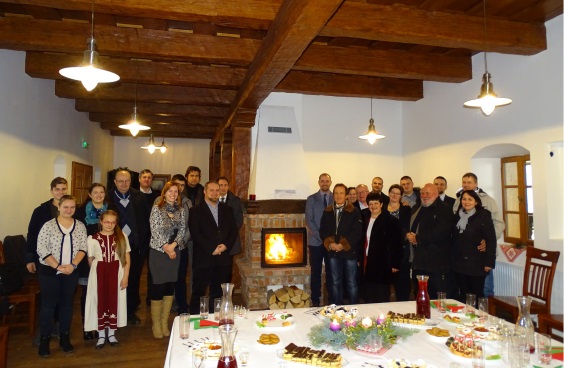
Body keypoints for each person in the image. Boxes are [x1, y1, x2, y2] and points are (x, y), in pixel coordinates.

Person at [36, 195, 87, 357]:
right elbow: (42, 249)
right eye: (66, 207)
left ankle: (64, 338)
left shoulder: (79, 226)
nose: (69, 210)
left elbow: (83, 248)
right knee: (48, 306)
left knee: (67, 305)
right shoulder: (48, 226)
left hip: (71, 272)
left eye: (72, 207)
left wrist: (72, 265)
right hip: (49, 272)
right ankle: (44, 340)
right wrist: (58, 266)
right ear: (59, 206)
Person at [26, 177, 68, 342]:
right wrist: (29, 258)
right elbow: (32, 235)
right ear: (51, 190)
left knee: (63, 297)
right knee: (47, 298)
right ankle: (44, 330)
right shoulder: (41, 210)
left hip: (65, 261)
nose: (60, 192)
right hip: (45, 261)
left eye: (63, 189)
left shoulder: (70, 208)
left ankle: (59, 326)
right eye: (57, 189)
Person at [188, 181, 238, 315]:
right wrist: (212, 249)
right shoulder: (195, 211)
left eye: (217, 190)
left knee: (218, 293)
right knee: (199, 291)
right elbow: (195, 233)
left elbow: (233, 231)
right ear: (205, 191)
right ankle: (195, 320)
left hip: (223, 258)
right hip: (204, 258)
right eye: (212, 190)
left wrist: (225, 246)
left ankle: (216, 318)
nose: (215, 193)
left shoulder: (227, 210)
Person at [106, 168, 148, 325]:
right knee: (114, 279)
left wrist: (143, 241)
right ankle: (113, 311)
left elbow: (145, 221)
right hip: (114, 246)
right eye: (120, 181)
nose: (124, 184)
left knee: (133, 279)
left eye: (127, 181)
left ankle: (130, 311)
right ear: (115, 182)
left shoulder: (139, 197)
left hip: (135, 246)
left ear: (131, 181)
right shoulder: (108, 197)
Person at [452, 172, 505, 298]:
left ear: (476, 183)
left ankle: (486, 315)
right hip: (463, 256)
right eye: (464, 182)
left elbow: (498, 223)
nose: (466, 185)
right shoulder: (458, 201)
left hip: (481, 254)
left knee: (485, 289)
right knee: (464, 290)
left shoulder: (488, 201)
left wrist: (487, 241)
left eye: (469, 182)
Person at [85, 210, 131, 349]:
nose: (109, 225)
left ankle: (111, 333)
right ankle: (101, 335)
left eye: (112, 222)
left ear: (116, 223)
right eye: (106, 222)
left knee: (114, 300)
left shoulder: (121, 237)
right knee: (100, 300)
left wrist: (125, 277)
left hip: (116, 271)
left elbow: (127, 258)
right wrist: (96, 273)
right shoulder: (92, 239)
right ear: (101, 222)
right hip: (99, 273)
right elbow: (90, 259)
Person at [148, 182, 186, 339]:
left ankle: (165, 323)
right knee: (158, 286)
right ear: (164, 193)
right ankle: (156, 324)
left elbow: (182, 229)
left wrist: (174, 245)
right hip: (159, 252)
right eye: (170, 191)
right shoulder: (157, 208)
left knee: (170, 286)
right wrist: (166, 247)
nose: (173, 194)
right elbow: (154, 230)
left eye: (175, 191)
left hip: (175, 252)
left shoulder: (181, 210)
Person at [406, 184, 454, 299]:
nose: (424, 196)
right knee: (420, 294)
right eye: (422, 193)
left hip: (436, 262)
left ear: (436, 194)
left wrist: (417, 238)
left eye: (428, 193)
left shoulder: (444, 209)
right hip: (419, 260)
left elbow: (441, 232)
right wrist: (409, 235)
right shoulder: (419, 207)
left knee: (435, 295)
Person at [74, 183, 108, 340]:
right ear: (90, 194)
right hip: (86, 257)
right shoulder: (80, 212)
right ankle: (87, 327)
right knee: (87, 293)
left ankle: (101, 324)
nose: (99, 195)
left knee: (103, 293)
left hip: (106, 257)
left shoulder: (110, 210)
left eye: (101, 192)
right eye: (96, 192)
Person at [319, 183, 362, 305]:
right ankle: (337, 309)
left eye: (341, 193)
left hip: (349, 252)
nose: (338, 196)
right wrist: (331, 244)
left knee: (351, 283)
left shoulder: (354, 211)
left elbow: (357, 232)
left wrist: (343, 244)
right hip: (333, 252)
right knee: (336, 282)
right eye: (336, 193)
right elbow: (323, 230)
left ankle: (354, 308)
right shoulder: (327, 211)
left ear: (346, 195)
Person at [451, 190, 496, 301]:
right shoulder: (457, 216)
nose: (466, 202)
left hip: (476, 263)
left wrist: (489, 263)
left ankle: (477, 317)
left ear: (476, 202)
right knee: (463, 293)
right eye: (464, 199)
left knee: (476, 293)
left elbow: (491, 239)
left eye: (470, 199)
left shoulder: (483, 216)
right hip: (460, 262)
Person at [159, 174, 193, 315]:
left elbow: (187, 227)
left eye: (180, 186)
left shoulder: (186, 204)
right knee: (164, 280)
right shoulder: (157, 204)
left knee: (180, 279)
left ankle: (182, 307)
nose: (176, 190)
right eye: (173, 187)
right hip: (163, 249)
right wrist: (166, 246)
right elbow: (155, 228)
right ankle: (163, 311)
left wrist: (177, 244)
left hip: (181, 246)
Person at [361, 193, 403, 303]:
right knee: (368, 293)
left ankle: (382, 317)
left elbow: (397, 243)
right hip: (367, 260)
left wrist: (395, 263)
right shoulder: (363, 218)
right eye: (370, 204)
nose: (373, 206)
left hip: (384, 262)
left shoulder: (391, 220)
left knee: (381, 293)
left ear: (381, 204)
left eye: (376, 203)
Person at [305, 173, 334, 307]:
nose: (324, 183)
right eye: (322, 181)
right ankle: (315, 300)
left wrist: (329, 239)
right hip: (315, 242)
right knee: (315, 272)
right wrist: (321, 237)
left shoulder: (336, 197)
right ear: (318, 183)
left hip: (331, 243)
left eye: (327, 181)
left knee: (331, 271)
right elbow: (309, 220)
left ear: (330, 182)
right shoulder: (311, 199)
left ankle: (331, 299)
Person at [387, 184, 412, 302]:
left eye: (397, 193)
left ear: (401, 196)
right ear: (388, 193)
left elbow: (408, 227)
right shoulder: (382, 208)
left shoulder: (407, 209)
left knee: (402, 282)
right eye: (392, 192)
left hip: (402, 250)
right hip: (385, 250)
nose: (394, 195)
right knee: (385, 282)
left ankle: (403, 306)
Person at [217, 176, 244, 257]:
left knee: (227, 266)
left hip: (230, 240)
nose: (223, 187)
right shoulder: (211, 200)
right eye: (221, 185)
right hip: (215, 239)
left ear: (228, 186)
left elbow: (238, 221)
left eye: (225, 185)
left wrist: (227, 234)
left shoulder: (235, 201)